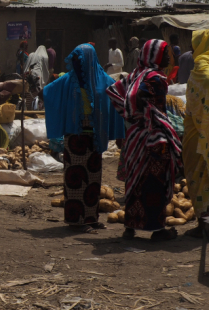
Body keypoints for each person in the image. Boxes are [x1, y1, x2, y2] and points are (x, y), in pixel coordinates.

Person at [44, 43, 125, 233]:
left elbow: (115, 94)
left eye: (80, 61)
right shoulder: (68, 80)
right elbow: (48, 92)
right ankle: (75, 220)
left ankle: (91, 217)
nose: (77, 65)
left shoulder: (102, 79)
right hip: (75, 137)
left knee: (93, 178)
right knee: (75, 179)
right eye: (75, 61)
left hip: (95, 137)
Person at [107, 39, 182, 241]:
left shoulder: (135, 74)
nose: (168, 58)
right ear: (154, 56)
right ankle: (157, 229)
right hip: (152, 138)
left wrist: (130, 115)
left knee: (135, 179)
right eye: (165, 55)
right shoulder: (155, 77)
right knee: (155, 181)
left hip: (134, 135)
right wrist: (150, 114)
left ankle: (130, 227)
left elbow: (115, 92)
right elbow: (139, 96)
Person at [182, 30, 209, 238]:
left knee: (197, 176)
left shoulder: (201, 66)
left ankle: (203, 222)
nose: (191, 50)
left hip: (197, 130)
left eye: (193, 46)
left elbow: (192, 101)